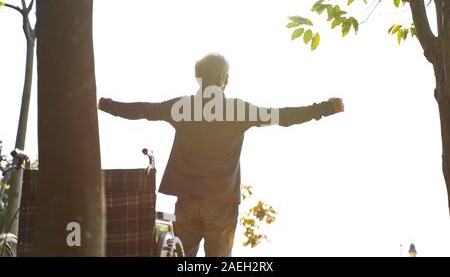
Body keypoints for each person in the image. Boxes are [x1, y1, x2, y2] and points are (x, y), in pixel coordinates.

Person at [98, 53, 344, 257]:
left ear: (198, 79)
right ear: (225, 80)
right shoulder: (238, 110)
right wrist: (325, 108)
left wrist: (104, 104)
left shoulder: (182, 107)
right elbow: (284, 117)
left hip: (188, 200)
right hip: (222, 202)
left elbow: (141, 110)